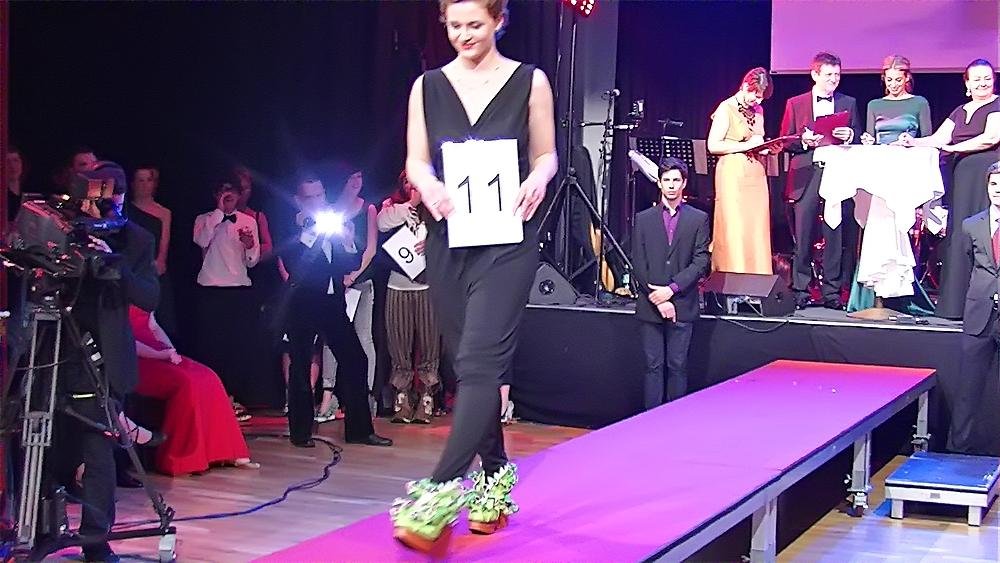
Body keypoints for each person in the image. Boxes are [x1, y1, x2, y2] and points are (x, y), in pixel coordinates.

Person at [390, 0, 557, 551]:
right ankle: (495, 478)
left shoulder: (530, 81)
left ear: (499, 21)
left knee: (483, 361)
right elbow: (416, 159)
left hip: (507, 239)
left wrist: (538, 178)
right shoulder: (427, 86)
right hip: (448, 240)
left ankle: (438, 494)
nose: (464, 34)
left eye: (475, 25)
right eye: (455, 25)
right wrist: (428, 185)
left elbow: (547, 155)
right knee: (466, 364)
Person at [21, 162, 160, 562]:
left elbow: (149, 296)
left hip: (100, 357)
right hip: (51, 349)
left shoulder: (136, 239)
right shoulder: (62, 228)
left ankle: (96, 540)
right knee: (44, 444)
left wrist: (114, 264)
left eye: (110, 198)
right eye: (93, 198)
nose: (100, 207)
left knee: (98, 450)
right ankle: (41, 528)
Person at [279, 176, 392, 449]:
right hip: (303, 303)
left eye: (320, 195)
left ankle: (359, 430)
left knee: (355, 359)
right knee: (301, 365)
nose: (318, 201)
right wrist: (313, 233)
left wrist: (349, 242)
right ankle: (300, 432)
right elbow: (295, 265)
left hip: (332, 302)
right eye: (311, 197)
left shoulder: (331, 224)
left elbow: (348, 264)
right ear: (298, 200)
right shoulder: (291, 226)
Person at [898, 59, 1000, 319]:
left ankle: (985, 307)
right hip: (961, 177)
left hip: (987, 175)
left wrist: (954, 148)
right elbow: (938, 139)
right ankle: (955, 306)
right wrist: (913, 142)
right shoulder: (959, 110)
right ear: (967, 83)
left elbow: (990, 138)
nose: (982, 83)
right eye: (976, 79)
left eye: (987, 78)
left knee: (984, 235)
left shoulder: (997, 105)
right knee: (960, 235)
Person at [128, 306, 259, 475]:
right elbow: (124, 342)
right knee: (186, 383)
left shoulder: (143, 295)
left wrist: (170, 350)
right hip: (135, 361)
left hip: (159, 353)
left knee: (209, 377)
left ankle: (226, 451)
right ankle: (182, 458)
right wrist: (160, 354)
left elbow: (153, 326)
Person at [849, 55, 934, 314]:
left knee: (900, 228)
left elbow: (928, 140)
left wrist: (911, 142)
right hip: (880, 174)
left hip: (905, 172)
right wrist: (867, 141)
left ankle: (901, 293)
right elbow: (872, 138)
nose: (894, 84)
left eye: (898, 79)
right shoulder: (874, 104)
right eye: (889, 80)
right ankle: (876, 291)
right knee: (878, 228)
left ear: (907, 78)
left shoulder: (919, 103)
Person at [779, 52, 861, 310]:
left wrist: (850, 135)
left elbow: (858, 136)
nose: (834, 79)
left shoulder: (848, 102)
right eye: (828, 75)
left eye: (837, 75)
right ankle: (801, 290)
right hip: (807, 173)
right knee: (803, 235)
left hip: (837, 173)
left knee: (834, 235)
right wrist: (804, 141)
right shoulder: (796, 103)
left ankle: (832, 292)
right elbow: (785, 140)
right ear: (815, 75)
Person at [631, 158, 711, 409]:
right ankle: (650, 419)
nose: (672, 185)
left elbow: (701, 262)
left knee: (678, 366)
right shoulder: (643, 219)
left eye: (676, 180)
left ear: (684, 183)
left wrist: (671, 290)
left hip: (682, 303)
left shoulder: (698, 219)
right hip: (650, 304)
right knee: (652, 366)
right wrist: (657, 297)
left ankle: (674, 421)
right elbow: (638, 262)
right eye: (667, 180)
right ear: (659, 183)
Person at [192, 179, 260, 420]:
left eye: (232, 192)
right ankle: (213, 398)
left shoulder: (248, 221)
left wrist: (250, 246)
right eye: (223, 191)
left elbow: (252, 261)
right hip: (211, 287)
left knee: (236, 347)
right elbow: (201, 241)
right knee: (213, 346)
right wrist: (220, 212)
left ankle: (233, 398)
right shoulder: (204, 219)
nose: (228, 195)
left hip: (238, 288)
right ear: (216, 194)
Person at [377, 172, 440, 424]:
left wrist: (432, 244)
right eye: (407, 182)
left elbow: (450, 237)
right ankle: (402, 396)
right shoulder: (392, 206)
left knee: (430, 343)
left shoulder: (436, 207)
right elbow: (381, 223)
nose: (412, 186)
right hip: (398, 284)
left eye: (416, 182)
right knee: (398, 343)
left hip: (427, 286)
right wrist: (410, 204)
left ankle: (427, 395)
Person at [946, 161, 1000, 454]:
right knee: (968, 387)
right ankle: (959, 449)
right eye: (994, 184)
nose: (998, 191)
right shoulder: (971, 225)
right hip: (979, 315)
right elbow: (967, 265)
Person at [322, 168, 379, 420]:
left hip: (361, 282)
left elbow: (371, 249)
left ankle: (366, 397)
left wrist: (353, 276)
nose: (356, 182)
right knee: (331, 339)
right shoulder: (330, 211)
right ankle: (328, 397)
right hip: (335, 283)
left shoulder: (368, 209)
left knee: (364, 338)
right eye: (351, 178)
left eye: (360, 177)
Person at [707, 67, 773, 275]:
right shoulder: (726, 107)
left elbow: (757, 140)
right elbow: (713, 145)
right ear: (745, 87)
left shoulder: (759, 111)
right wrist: (746, 146)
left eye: (761, 97)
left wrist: (767, 147)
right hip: (733, 173)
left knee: (756, 227)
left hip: (755, 174)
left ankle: (758, 277)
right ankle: (733, 276)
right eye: (756, 95)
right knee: (735, 226)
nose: (758, 101)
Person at [127, 165, 178, 337]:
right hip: (131, 270)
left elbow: (164, 244)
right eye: (140, 180)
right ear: (133, 183)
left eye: (148, 180)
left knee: (161, 325)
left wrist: (158, 264)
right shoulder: (124, 211)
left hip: (153, 271)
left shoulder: (164, 212)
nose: (144, 184)